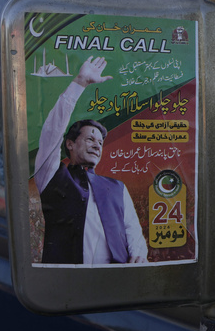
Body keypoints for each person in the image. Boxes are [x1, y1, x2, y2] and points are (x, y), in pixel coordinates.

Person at [34, 56, 149, 264]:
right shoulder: (50, 175)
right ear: (70, 143)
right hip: (66, 285)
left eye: (100, 142)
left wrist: (139, 254)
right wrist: (79, 83)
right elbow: (51, 132)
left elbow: (132, 230)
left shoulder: (118, 188)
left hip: (116, 282)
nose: (97, 145)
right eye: (90, 139)